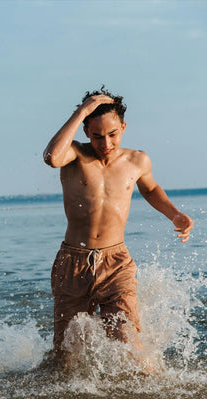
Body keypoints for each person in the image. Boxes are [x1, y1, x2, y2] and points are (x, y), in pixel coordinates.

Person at [43, 87, 194, 365]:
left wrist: (174, 214)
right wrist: (81, 112)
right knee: (66, 355)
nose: (106, 143)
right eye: (97, 135)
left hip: (116, 262)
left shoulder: (137, 160)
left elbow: (150, 190)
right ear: (86, 130)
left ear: (123, 127)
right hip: (73, 262)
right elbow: (52, 157)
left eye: (113, 134)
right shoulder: (75, 154)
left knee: (126, 338)